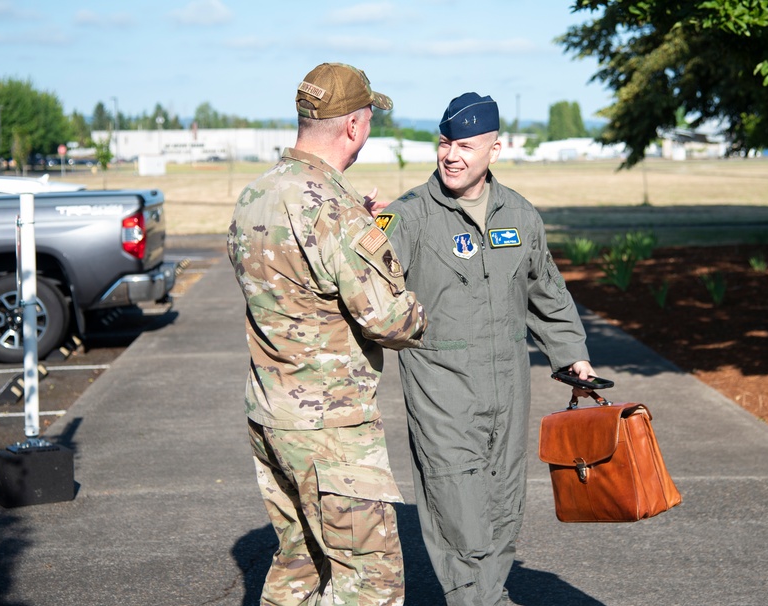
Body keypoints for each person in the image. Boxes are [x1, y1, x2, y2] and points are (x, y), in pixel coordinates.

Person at [377, 92, 598, 606]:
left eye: (466, 146)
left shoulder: (519, 215)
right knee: (461, 512)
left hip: (508, 390)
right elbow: (365, 288)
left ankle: (487, 594)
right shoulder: (407, 217)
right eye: (444, 143)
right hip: (442, 391)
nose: (451, 155)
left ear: (494, 151)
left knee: (502, 509)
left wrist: (572, 354)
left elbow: (547, 290)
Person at [226, 62, 427, 606]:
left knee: (300, 567)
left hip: (271, 413)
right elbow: (392, 321)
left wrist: (358, 229)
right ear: (354, 128)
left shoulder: (256, 196)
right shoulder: (335, 211)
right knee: (370, 584)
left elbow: (292, 278)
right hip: (330, 431)